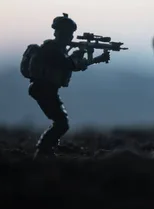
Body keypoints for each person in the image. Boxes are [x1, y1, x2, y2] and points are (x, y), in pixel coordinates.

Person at [23, 13, 110, 158]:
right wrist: (83, 53)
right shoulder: (51, 49)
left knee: (61, 122)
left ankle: (47, 150)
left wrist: (88, 56)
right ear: (61, 33)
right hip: (43, 89)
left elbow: (72, 64)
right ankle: (43, 150)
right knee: (61, 123)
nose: (70, 37)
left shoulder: (58, 49)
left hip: (46, 89)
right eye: (68, 34)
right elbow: (70, 65)